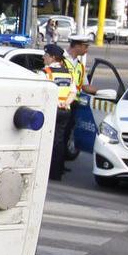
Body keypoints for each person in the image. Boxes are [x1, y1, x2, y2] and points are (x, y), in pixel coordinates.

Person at [42, 44, 76, 182]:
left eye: (46, 55)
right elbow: (73, 92)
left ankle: (45, 172)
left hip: (51, 110)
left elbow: (43, 93)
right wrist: (66, 103)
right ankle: (56, 173)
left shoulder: (46, 72)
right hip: (65, 110)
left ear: (52, 57)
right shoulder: (68, 73)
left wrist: (56, 103)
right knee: (59, 141)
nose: (43, 57)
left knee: (46, 140)